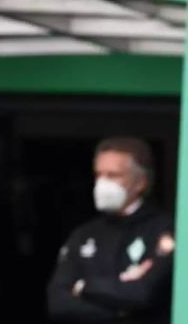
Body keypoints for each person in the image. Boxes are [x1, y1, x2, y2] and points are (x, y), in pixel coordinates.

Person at [47, 137, 175, 324]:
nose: (102, 183)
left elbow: (143, 293)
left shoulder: (163, 229)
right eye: (99, 175)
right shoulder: (84, 234)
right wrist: (119, 313)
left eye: (113, 175)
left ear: (140, 183)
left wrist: (84, 287)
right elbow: (58, 302)